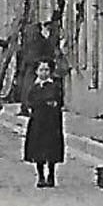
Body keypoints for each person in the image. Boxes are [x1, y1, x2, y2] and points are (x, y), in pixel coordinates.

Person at [23, 60, 66, 188]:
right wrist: (44, 102)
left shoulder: (55, 85)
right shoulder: (34, 86)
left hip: (52, 122)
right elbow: (29, 102)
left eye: (46, 70)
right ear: (36, 71)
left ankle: (51, 175)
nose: (44, 73)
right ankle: (41, 176)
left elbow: (56, 100)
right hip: (37, 121)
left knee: (51, 148)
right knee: (38, 149)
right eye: (41, 70)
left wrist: (45, 102)